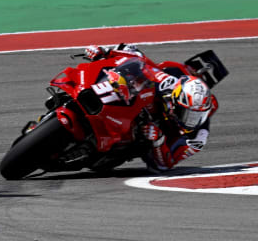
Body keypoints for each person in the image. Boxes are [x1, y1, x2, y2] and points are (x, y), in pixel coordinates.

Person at [84, 44, 218, 172]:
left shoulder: (197, 138)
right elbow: (140, 60)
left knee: (112, 157)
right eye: (187, 114)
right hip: (137, 108)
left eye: (197, 116)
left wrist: (158, 141)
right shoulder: (169, 81)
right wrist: (106, 53)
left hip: (144, 142)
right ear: (175, 101)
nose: (191, 122)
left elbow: (165, 165)